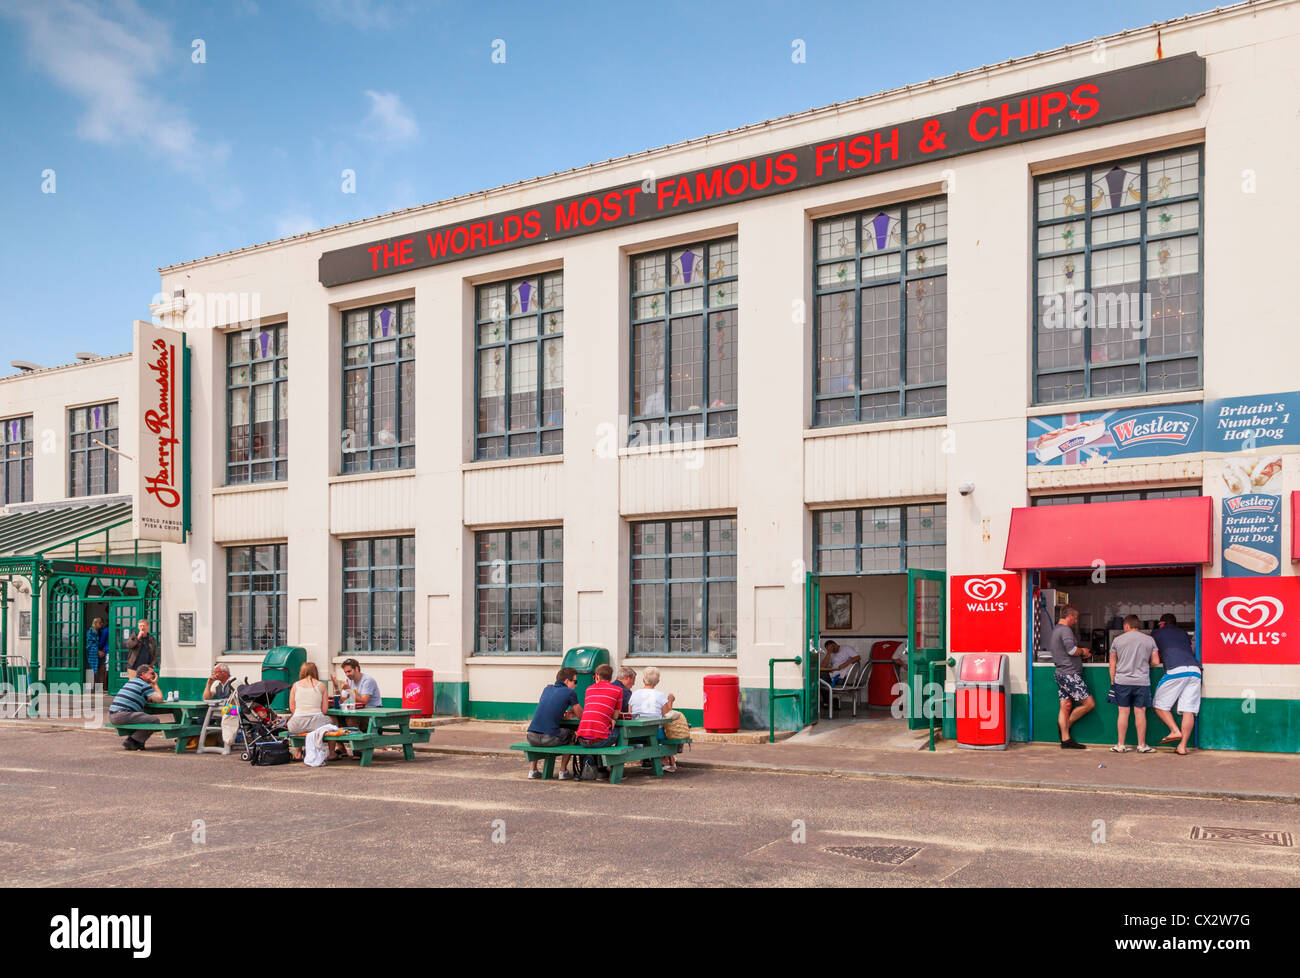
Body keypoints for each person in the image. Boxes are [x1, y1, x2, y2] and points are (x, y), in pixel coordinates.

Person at [1108, 614, 1159, 754]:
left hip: (1122, 681)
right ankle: (1142, 745)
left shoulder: (1117, 640)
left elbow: (1112, 662)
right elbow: (1155, 661)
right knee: (1140, 712)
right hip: (1141, 682)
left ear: (1126, 626)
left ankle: (1120, 745)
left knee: (1123, 712)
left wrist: (1113, 679)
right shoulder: (1150, 640)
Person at [1153, 613, 1201, 756]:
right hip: (1195, 671)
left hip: (1176, 670)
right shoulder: (1184, 634)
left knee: (1158, 705)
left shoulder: (1157, 633)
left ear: (1162, 623)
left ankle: (1174, 730)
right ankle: (1182, 746)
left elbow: (1153, 654)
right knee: (1188, 710)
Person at [1049, 604, 1093, 749]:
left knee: (1066, 706)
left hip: (1061, 673)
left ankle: (1066, 740)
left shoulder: (1056, 630)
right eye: (1075, 618)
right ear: (1070, 616)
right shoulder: (1066, 630)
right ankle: (1065, 728)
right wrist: (1084, 651)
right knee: (1089, 704)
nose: (1076, 621)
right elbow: (1072, 650)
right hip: (1070, 674)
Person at [525, 667, 582, 779]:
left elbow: (549, 708)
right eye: (575, 682)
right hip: (548, 738)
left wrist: (564, 713)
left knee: (549, 730)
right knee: (572, 734)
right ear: (566, 681)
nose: (576, 685)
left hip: (531, 737)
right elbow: (581, 716)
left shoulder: (547, 689)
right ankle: (563, 771)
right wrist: (573, 712)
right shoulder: (570, 692)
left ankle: (532, 770)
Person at [574, 663, 623, 780]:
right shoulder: (618, 690)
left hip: (582, 740)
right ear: (611, 678)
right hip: (599, 741)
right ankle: (612, 768)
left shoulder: (589, 689)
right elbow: (616, 715)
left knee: (598, 732)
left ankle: (597, 768)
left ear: (596, 676)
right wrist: (611, 719)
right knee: (618, 732)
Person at [107, 663, 172, 750]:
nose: (154, 675)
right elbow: (159, 699)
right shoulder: (144, 685)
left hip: (112, 715)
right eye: (151, 673)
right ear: (143, 675)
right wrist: (155, 684)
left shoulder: (132, 681)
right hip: (122, 715)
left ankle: (137, 742)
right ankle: (133, 741)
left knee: (144, 717)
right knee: (154, 720)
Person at [628, 665, 680, 773]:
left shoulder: (634, 694)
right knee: (668, 730)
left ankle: (660, 760)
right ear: (658, 681)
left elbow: (630, 713)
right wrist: (670, 700)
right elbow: (667, 715)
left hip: (635, 732)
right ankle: (667, 760)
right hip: (655, 733)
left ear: (643, 679)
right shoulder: (660, 695)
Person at [287, 662, 337, 761]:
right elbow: (324, 710)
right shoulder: (321, 685)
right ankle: (332, 753)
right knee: (334, 723)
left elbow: (292, 708)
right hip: (316, 723)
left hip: (296, 725)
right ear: (315, 672)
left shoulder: (295, 685)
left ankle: (298, 753)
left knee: (297, 719)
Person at [820, 640, 859, 706]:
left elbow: (858, 657)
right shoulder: (831, 653)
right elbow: (823, 666)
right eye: (829, 649)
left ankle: (831, 701)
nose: (833, 650)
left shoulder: (846, 648)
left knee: (825, 682)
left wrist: (845, 664)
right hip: (834, 674)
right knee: (820, 679)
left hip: (844, 677)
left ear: (835, 644)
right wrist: (829, 652)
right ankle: (830, 701)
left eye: (833, 647)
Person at [84, 617, 108, 690]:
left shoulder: (101, 632)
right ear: (95, 623)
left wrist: (103, 651)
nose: (102, 624)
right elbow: (89, 644)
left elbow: (103, 642)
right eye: (100, 623)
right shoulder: (90, 632)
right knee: (92, 671)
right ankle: (89, 688)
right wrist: (97, 651)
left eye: (102, 623)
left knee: (102, 670)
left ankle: (100, 688)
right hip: (92, 654)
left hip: (101, 653)